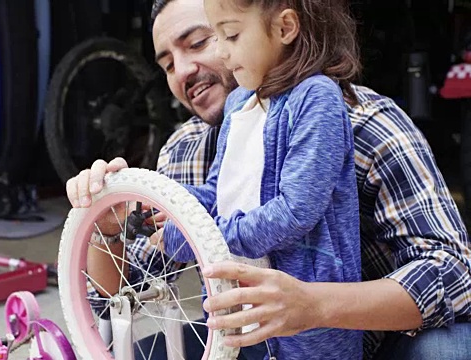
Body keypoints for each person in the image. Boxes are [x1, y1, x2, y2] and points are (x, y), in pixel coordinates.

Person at [67, 0, 471, 359]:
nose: (185, 70)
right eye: (168, 64)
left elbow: (453, 274)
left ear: (282, 28)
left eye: (205, 40)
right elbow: (121, 295)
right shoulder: (196, 140)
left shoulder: (358, 118)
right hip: (248, 340)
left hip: (366, 339)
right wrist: (110, 221)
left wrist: (315, 305)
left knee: (447, 349)